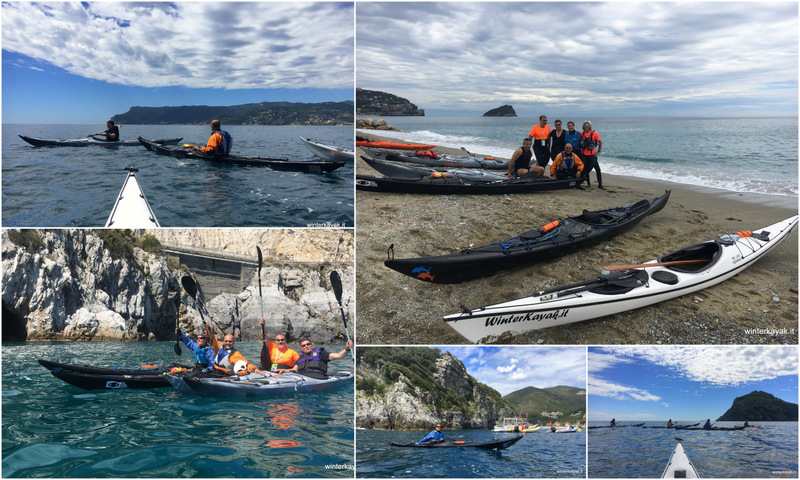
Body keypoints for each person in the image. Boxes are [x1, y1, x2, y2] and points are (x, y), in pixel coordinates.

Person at [579, 120, 603, 189]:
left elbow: (600, 142)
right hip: (584, 155)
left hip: (592, 155)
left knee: (597, 169)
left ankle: (600, 184)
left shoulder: (594, 133)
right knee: (586, 169)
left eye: (588, 125)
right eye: (585, 125)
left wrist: (598, 151)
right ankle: (588, 183)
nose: (586, 127)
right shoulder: (581, 133)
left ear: (590, 126)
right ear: (583, 126)